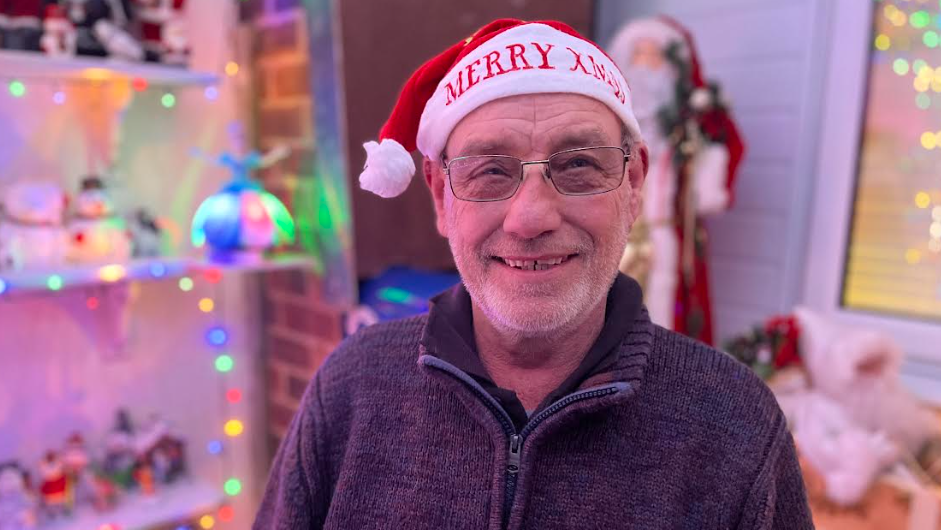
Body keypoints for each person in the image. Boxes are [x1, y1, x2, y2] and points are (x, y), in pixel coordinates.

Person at [254, 18, 812, 529]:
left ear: (634, 183)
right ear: (441, 197)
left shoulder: (734, 426)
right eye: (490, 170)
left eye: (578, 165)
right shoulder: (350, 390)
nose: (531, 218)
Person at [609, 17, 745, 345]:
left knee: (664, 319)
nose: (646, 67)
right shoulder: (609, 126)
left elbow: (711, 180)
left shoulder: (684, 130)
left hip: (664, 234)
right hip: (612, 234)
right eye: (638, 56)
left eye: (655, 58)